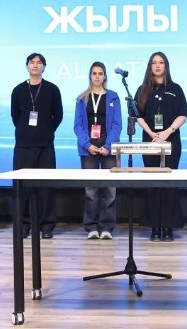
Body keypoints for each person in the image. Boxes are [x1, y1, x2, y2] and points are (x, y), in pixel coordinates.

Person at [135, 51, 187, 242]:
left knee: (169, 183)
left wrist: (168, 132)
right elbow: (137, 115)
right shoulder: (142, 89)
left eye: (161, 62)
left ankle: (168, 226)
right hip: (150, 140)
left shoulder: (175, 88)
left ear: (166, 65)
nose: (157, 66)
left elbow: (183, 114)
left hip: (171, 140)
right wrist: (151, 133)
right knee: (152, 183)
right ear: (149, 67)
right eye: (153, 63)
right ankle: (154, 227)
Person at [10, 53, 63, 239]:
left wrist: (46, 130)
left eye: (39, 63)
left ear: (44, 67)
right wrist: (26, 131)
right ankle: (24, 224)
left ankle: (47, 225)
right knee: (22, 187)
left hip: (45, 145)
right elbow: (15, 116)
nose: (35, 65)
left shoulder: (52, 89)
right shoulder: (18, 90)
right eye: (32, 62)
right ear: (26, 66)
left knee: (46, 187)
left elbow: (58, 115)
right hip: (23, 145)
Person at [73, 62, 123, 240]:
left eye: (100, 73)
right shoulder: (82, 99)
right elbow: (78, 125)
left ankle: (107, 226)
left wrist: (108, 146)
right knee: (91, 189)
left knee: (110, 190)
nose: (97, 76)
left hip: (108, 146)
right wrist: (87, 145)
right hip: (88, 147)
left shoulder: (113, 97)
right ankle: (92, 227)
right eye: (94, 73)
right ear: (90, 76)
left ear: (105, 77)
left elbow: (117, 124)